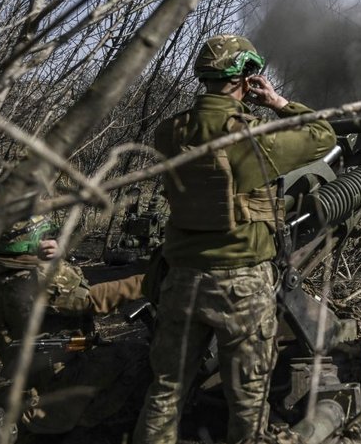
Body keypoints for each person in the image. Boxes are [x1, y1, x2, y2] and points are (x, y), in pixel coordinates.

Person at [134, 34, 336, 444]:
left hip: (181, 279)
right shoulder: (254, 140)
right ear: (247, 77)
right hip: (241, 287)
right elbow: (322, 135)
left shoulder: (168, 133)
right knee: (248, 398)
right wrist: (277, 103)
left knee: (166, 389)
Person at [0, 215, 149, 436]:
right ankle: (85, 421)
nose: (49, 241)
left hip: (29, 370)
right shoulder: (37, 277)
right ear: (26, 242)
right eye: (42, 237)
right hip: (59, 374)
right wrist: (147, 281)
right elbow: (92, 300)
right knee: (138, 355)